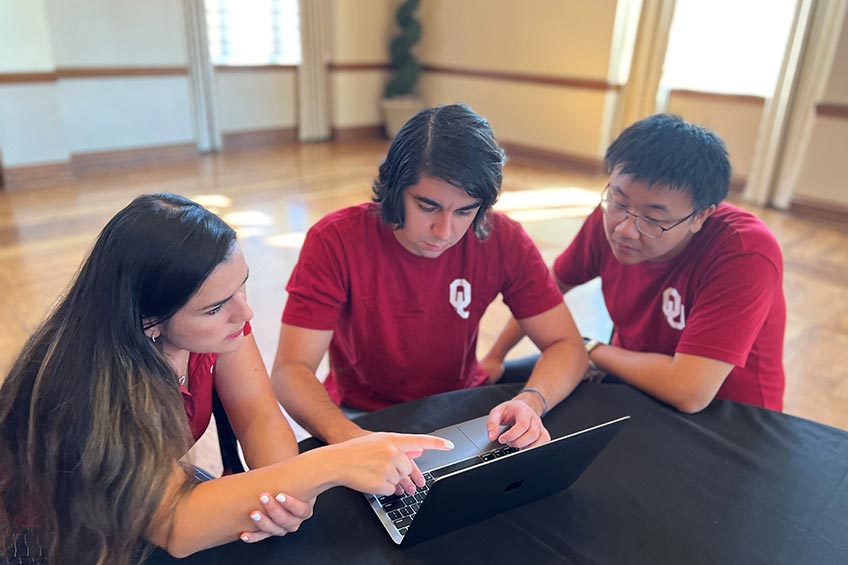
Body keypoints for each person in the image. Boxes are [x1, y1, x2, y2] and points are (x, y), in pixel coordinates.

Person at [0, 193, 452, 564]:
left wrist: (285, 497)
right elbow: (174, 525)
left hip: (149, 486)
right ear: (148, 321)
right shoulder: (94, 386)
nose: (245, 312)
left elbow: (257, 415)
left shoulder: (217, 328)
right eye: (215, 307)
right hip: (55, 532)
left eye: (242, 286)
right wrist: (331, 463)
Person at [272, 103, 588, 490]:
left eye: (465, 212)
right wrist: (351, 439)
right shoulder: (335, 239)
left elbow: (566, 345)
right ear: (394, 188)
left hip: (463, 409)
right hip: (361, 416)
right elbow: (291, 371)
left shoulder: (503, 238)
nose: (444, 230)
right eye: (428, 206)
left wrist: (531, 401)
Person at [481, 113, 786, 414]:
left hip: (729, 415)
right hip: (629, 379)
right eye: (618, 201)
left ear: (700, 216)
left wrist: (589, 349)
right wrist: (495, 356)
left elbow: (689, 392)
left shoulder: (744, 253)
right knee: (502, 390)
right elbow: (542, 295)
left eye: (653, 219)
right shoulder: (608, 221)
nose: (625, 230)